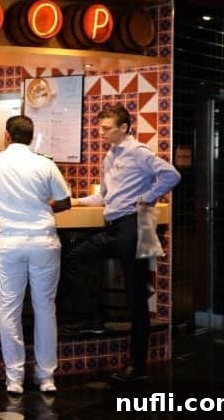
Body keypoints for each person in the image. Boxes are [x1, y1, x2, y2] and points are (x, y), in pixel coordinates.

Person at [62, 104, 180, 384]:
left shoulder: (138, 152)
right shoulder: (110, 156)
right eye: (100, 127)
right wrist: (74, 201)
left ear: (124, 128)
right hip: (114, 228)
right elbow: (103, 196)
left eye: (106, 128)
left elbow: (172, 175)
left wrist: (149, 196)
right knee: (72, 259)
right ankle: (94, 318)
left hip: (132, 228)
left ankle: (137, 366)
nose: (100, 132)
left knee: (135, 298)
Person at [0, 115, 71, 395]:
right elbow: (65, 202)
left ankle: (14, 378)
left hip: (10, 243)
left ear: (6, 136)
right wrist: (39, 208)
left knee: (10, 308)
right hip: (43, 241)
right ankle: (46, 377)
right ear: (31, 137)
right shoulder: (45, 164)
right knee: (44, 308)